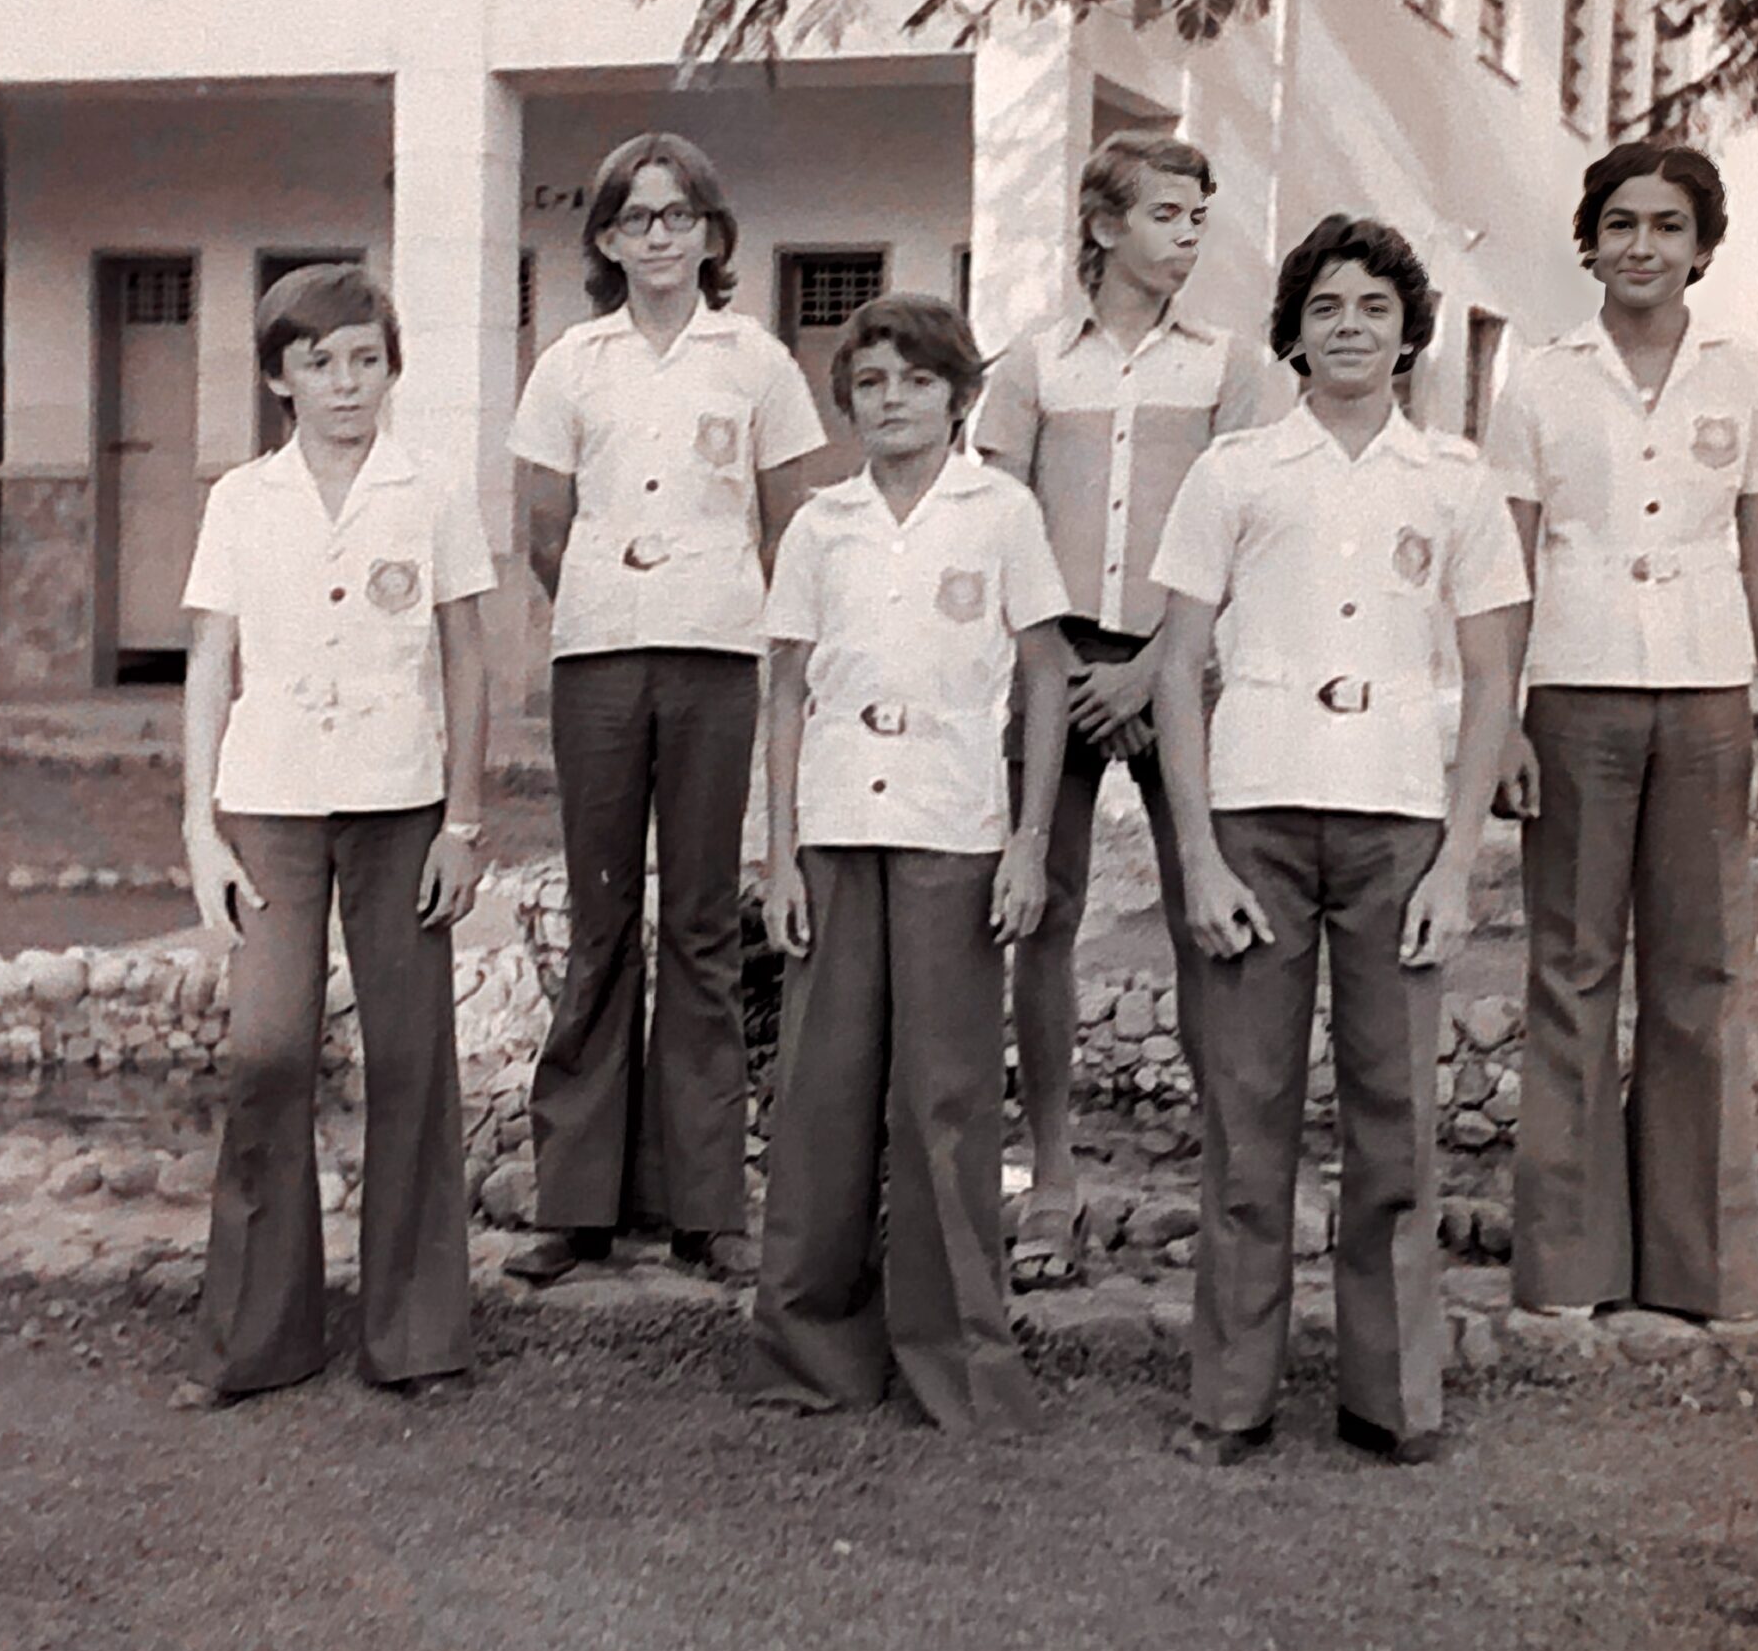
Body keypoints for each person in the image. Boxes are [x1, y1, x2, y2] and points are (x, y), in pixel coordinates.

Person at [1148, 219, 1528, 1465]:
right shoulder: (1239, 472)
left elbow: (1491, 677)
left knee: (1393, 1120)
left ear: (1410, 330)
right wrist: (1198, 854)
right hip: (1257, 813)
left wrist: (1457, 861)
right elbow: (1178, 667)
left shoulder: (1454, 481)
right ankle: (1229, 1398)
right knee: (1248, 1116)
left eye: (1373, 306)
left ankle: (1392, 1397)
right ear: (1293, 332)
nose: (1350, 326)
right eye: (1325, 306)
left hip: (1397, 822)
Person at [1487, 140, 1758, 1325]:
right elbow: (1507, 560)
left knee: (1701, 973)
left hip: (1709, 694)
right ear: (1589, 243)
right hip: (1573, 690)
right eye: (1620, 223)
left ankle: (1698, 1266)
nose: (1642, 245)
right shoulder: (1538, 379)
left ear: (1701, 247)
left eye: (1668, 225)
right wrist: (1500, 718)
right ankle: (1569, 1264)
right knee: (1572, 968)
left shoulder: (1746, 376)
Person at [503, 132, 829, 1288]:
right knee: (601, 920)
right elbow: (545, 528)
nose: (657, 236)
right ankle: (576, 1204)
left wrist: (706, 604)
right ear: (604, 237)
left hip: (714, 657)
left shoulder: (757, 361)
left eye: (678, 215)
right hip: (599, 656)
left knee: (698, 923)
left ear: (710, 232)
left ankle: (704, 1205)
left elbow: (789, 524)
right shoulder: (570, 362)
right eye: (636, 217)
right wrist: (616, 602)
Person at [743, 293, 1072, 1436]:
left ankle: (956, 1360)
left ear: (959, 396)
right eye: (872, 382)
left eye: (918, 381)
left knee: (946, 1098)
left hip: (954, 826)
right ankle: (810, 1352)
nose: (893, 401)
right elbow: (786, 690)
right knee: (823, 1093)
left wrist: (1028, 840)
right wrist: (779, 854)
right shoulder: (821, 524)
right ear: (848, 400)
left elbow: (1045, 674)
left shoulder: (1001, 512)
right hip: (837, 824)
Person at [177, 263, 495, 1408]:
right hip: (269, 801)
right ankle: (257, 1341)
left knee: (409, 1057)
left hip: (399, 800)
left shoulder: (430, 488)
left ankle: (415, 1337)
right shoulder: (241, 498)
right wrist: (200, 827)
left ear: (391, 368)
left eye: (366, 359)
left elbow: (467, 656)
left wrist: (462, 819)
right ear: (281, 377)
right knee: (267, 1054)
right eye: (320, 363)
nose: (346, 382)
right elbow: (210, 662)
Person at [971, 130, 1279, 1289]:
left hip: (1176, 664)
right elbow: (1001, 531)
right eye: (1164, 213)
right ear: (1103, 226)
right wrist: (1063, 667)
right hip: (1053, 661)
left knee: (1208, 911)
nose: (1187, 235)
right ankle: (1051, 1177)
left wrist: (1153, 668)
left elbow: (1244, 530)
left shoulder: (1229, 367)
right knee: (1043, 912)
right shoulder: (1032, 365)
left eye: (1198, 216)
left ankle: (1226, 1185)